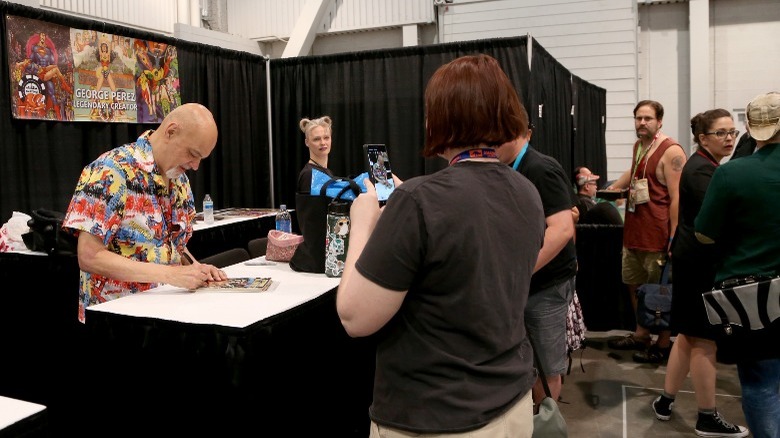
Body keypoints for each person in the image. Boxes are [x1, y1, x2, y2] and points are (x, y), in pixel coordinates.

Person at [336, 54, 545, 437]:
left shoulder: (419, 200)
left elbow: (355, 318)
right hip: (511, 403)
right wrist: (405, 204)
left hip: (435, 416)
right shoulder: (527, 192)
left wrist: (363, 221)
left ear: (439, 118)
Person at [62, 103, 228, 323]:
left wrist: (196, 269)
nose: (195, 166)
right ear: (171, 131)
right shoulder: (111, 170)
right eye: (192, 154)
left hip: (163, 315)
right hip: (115, 320)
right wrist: (170, 274)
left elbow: (172, 246)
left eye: (201, 159)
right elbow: (89, 256)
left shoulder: (179, 181)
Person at [651, 109, 748, 437]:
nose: (729, 138)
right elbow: (721, 218)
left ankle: (665, 402)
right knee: (705, 340)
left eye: (732, 132)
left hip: (692, 261)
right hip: (699, 264)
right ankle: (707, 415)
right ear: (703, 138)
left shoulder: (704, 167)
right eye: (721, 133)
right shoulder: (702, 171)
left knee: (688, 336)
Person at [695, 92, 780, 438]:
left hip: (753, 297)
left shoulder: (731, 174)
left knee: (760, 383)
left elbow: (703, 234)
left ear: (748, 128)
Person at [496, 118, 578, 407]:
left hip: (545, 285)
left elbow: (563, 229)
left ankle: (545, 422)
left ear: (524, 134)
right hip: (527, 284)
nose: (493, 146)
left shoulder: (541, 168)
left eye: (500, 138)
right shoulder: (507, 169)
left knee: (545, 367)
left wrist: (520, 271)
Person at [606, 100, 687, 364]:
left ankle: (663, 343)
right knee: (634, 285)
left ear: (659, 121)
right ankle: (641, 333)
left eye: (648, 118)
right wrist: (610, 190)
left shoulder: (672, 151)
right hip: (634, 232)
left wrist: (674, 235)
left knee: (660, 291)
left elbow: (677, 197)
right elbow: (633, 173)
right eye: (638, 118)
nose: (642, 123)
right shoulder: (639, 146)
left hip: (658, 234)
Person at [296, 115, 334, 193]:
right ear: (307, 142)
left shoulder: (327, 171)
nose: (323, 143)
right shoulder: (309, 174)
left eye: (326, 137)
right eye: (316, 139)